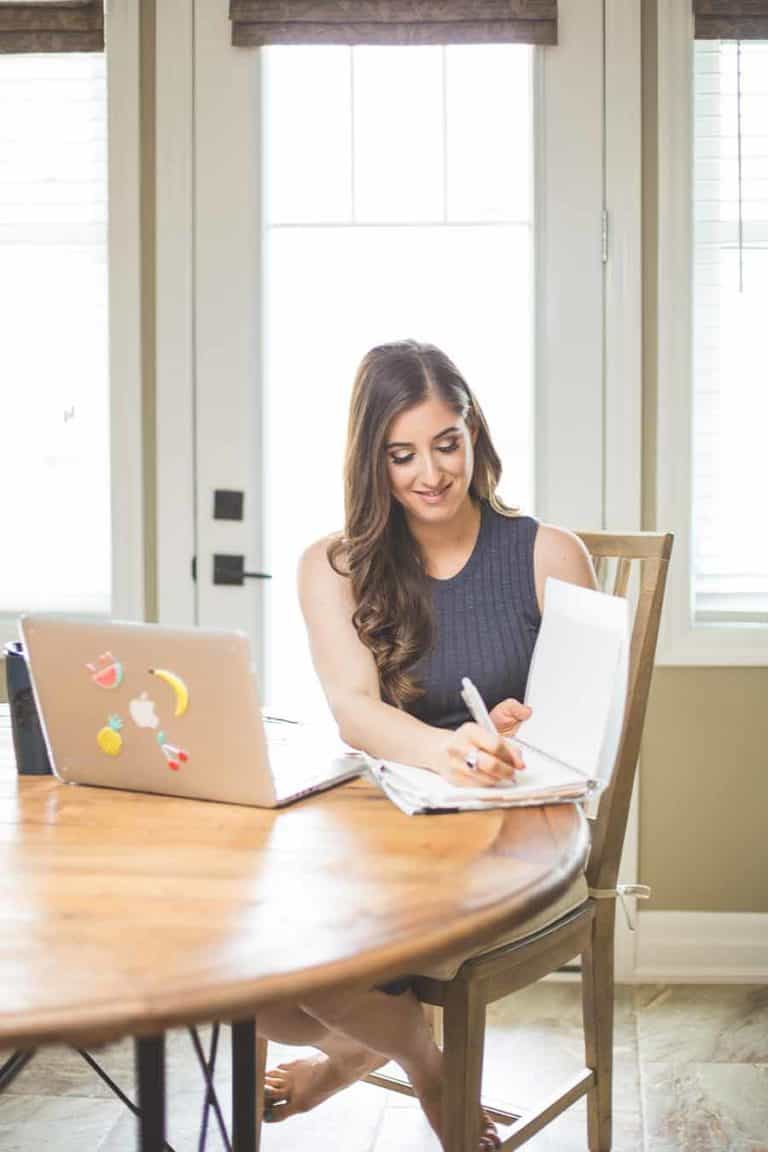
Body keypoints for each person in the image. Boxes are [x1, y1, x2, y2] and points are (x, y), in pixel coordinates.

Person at [257, 340, 597, 1150]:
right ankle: (423, 1063)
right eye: (400, 454)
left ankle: (371, 1049)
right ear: (370, 460)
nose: (431, 474)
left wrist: (524, 740)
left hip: (512, 832)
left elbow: (586, 738)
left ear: (473, 431)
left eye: (446, 443)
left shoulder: (550, 555)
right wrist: (447, 751)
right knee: (255, 975)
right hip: (386, 822)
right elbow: (353, 709)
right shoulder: (334, 566)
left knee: (328, 959)